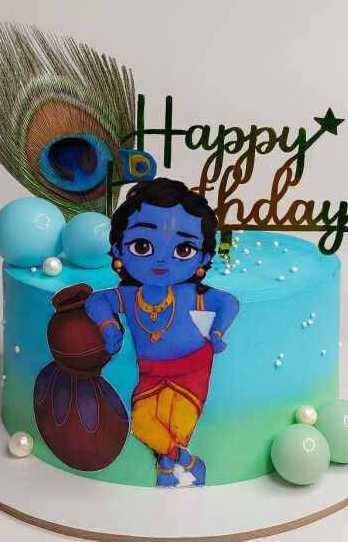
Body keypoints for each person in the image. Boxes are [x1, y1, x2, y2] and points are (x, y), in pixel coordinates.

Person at [85, 178, 239, 487]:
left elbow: (228, 302)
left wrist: (218, 332)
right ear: (118, 248)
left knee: (177, 426)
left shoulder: (191, 293)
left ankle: (167, 470)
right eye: (142, 246)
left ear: (203, 258)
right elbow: (97, 301)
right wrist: (109, 326)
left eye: (183, 249)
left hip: (192, 370)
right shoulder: (131, 294)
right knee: (143, 424)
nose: (161, 259)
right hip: (151, 373)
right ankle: (189, 463)